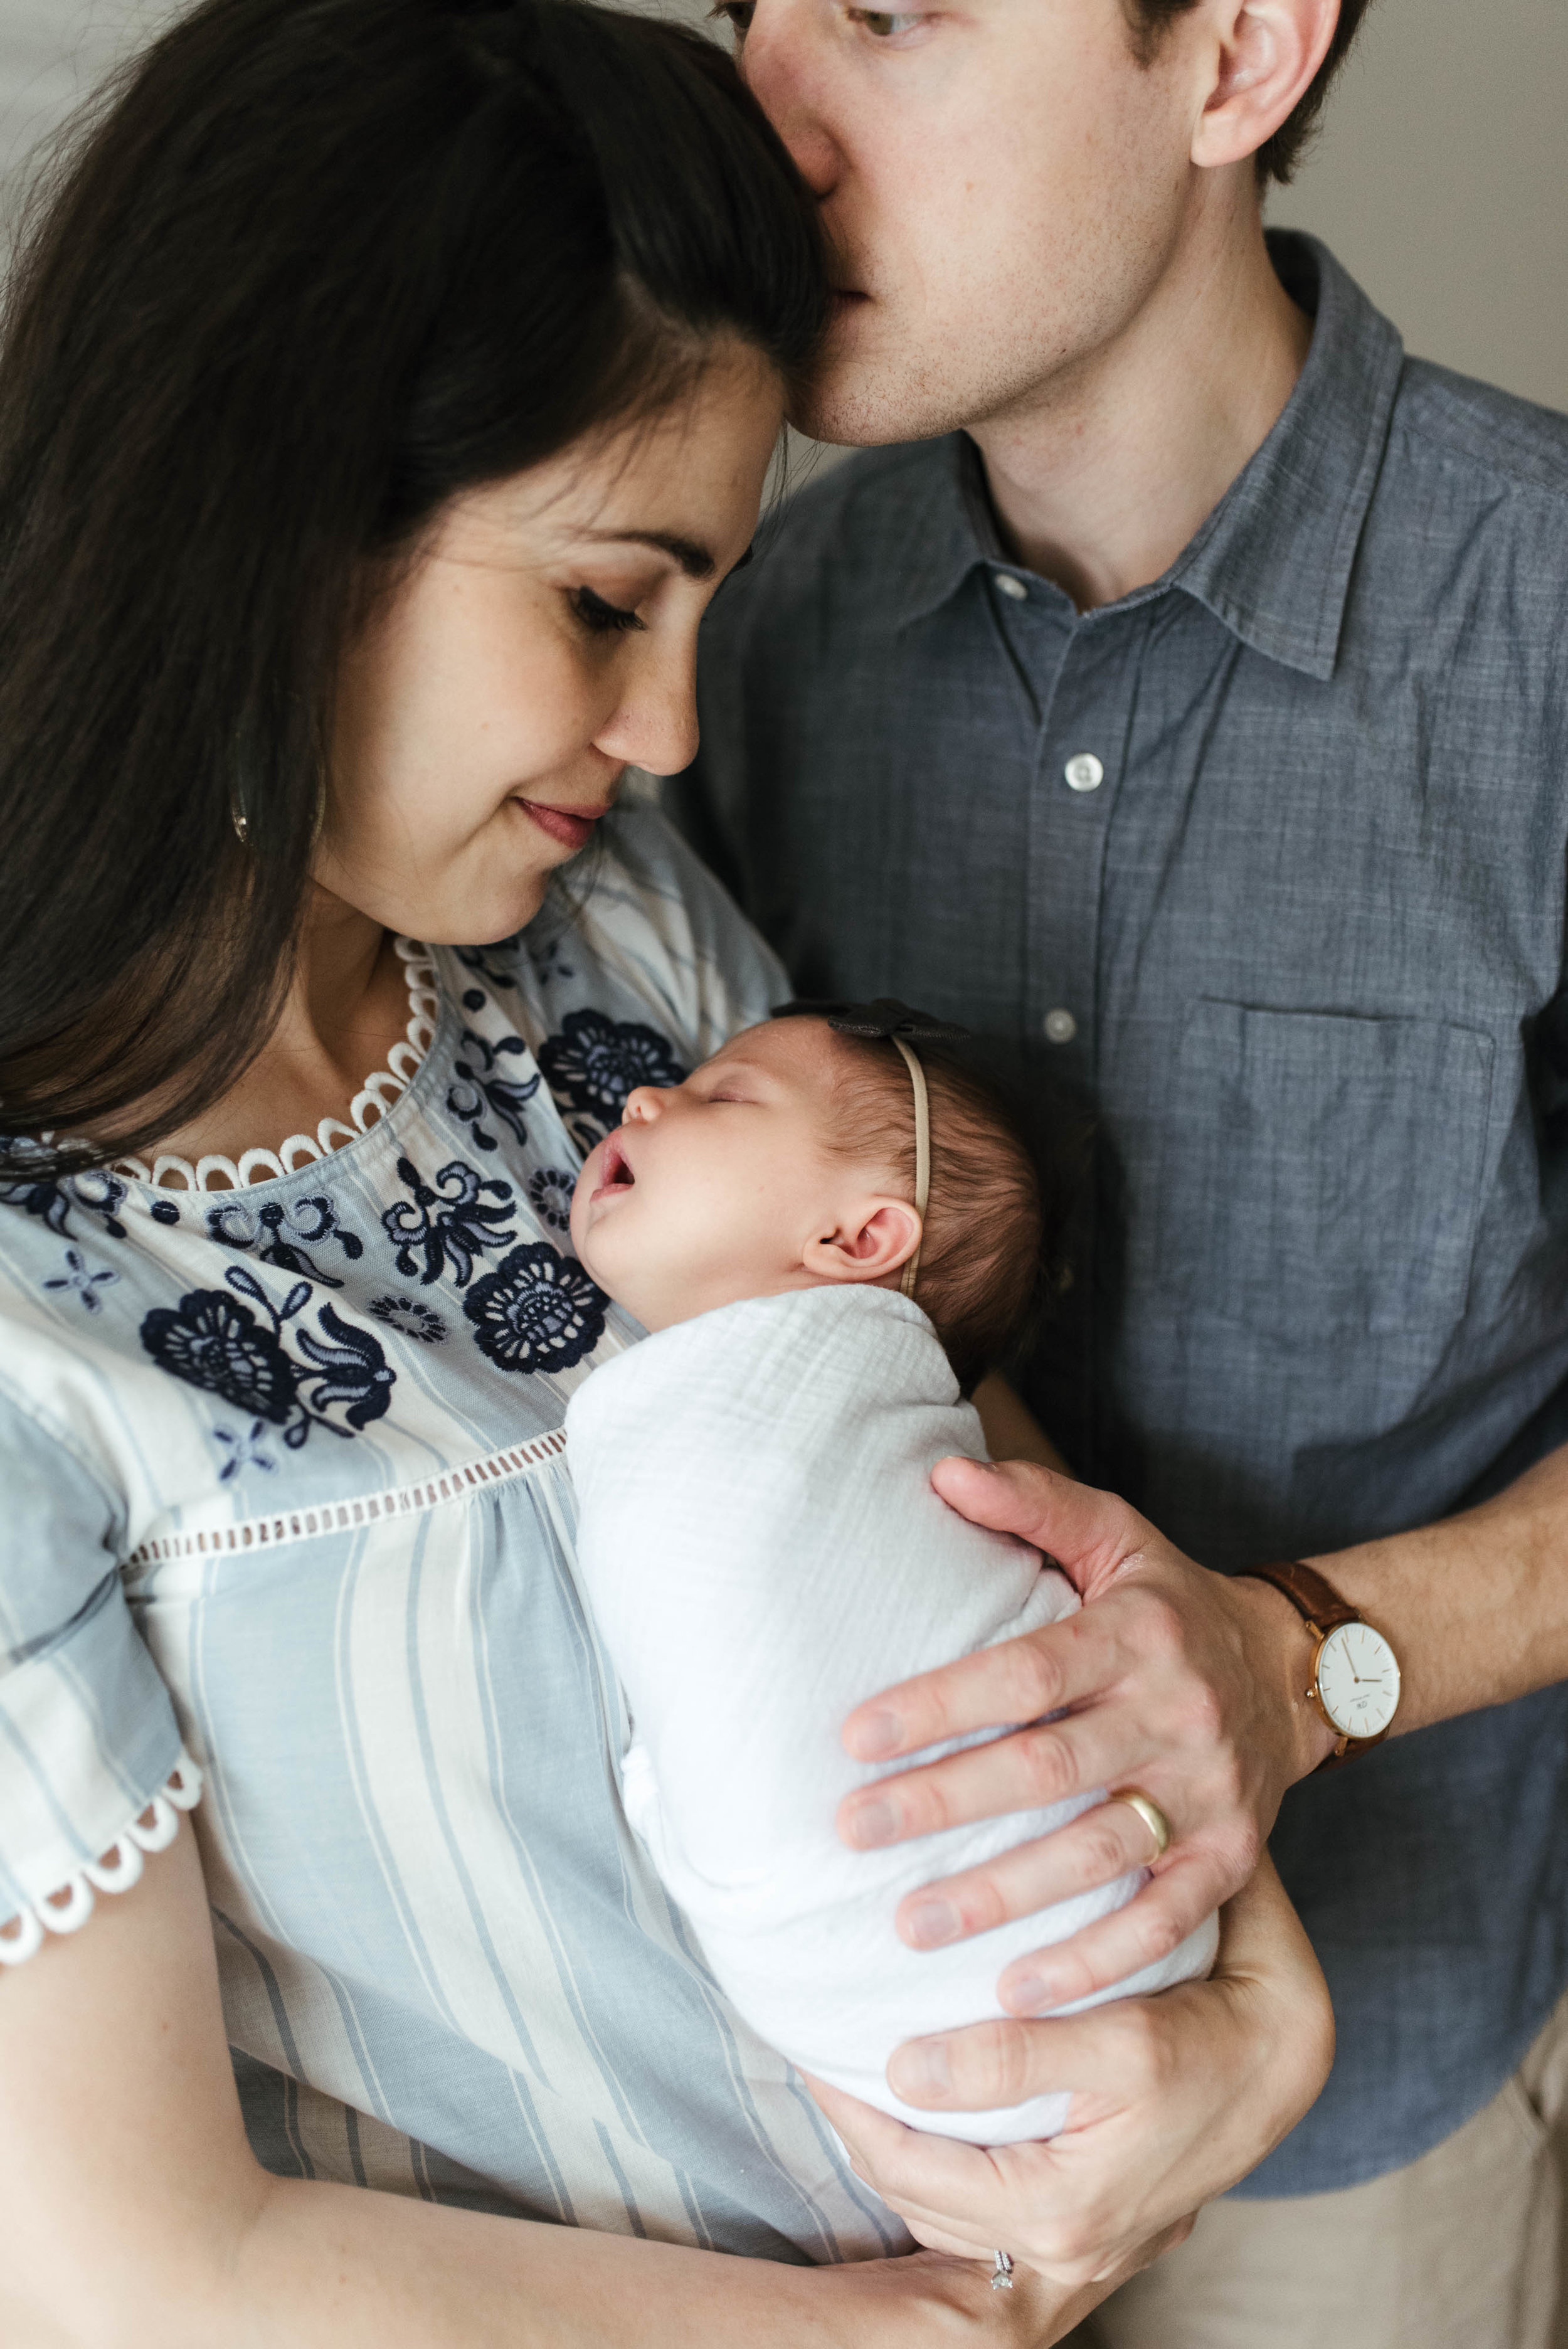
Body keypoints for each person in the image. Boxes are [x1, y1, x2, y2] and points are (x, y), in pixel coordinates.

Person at [0, 2, 1333, 2341]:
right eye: (609, 603)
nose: (674, 726)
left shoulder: (610, 939)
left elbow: (980, 1529)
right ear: (282, 521)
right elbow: (133, 2263)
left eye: (709, 602)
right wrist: (923, 2330)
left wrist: (1255, 2019)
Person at [674, 0, 1568, 2341]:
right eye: (748, 10)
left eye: (886, 14)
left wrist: (1303, 1661)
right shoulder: (733, 645)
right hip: (829, 2142)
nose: (765, 107)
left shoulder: (1554, 628)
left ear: (1240, 55)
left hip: (1379, 2087)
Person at [564, 1005, 1218, 2146]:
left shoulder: (785, 1429)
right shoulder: (760, 1423)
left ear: (859, 1241)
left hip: (1068, 1930)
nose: (643, 1098)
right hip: (944, 1991)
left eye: (725, 1096)